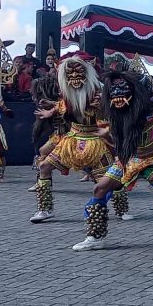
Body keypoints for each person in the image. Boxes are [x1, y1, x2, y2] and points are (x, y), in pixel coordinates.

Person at [71, 68, 153, 251]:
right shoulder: (115, 112)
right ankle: (94, 237)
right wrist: (106, 135)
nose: (118, 98)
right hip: (126, 160)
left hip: (152, 161)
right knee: (99, 189)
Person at [29, 57, 130, 223]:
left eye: (78, 71)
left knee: (109, 179)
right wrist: (51, 111)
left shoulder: (99, 91)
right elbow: (64, 105)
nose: (74, 76)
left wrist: (104, 114)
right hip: (72, 139)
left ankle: (121, 209)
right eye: (70, 73)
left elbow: (114, 111)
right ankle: (45, 209)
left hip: (96, 140)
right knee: (44, 166)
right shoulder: (67, 92)